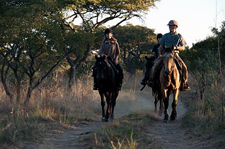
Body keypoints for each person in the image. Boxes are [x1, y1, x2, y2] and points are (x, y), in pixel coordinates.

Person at [150, 20, 190, 91]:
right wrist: (160, 54)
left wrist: (176, 47)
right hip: (166, 54)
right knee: (156, 65)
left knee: (184, 67)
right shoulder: (165, 36)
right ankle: (153, 81)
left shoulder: (179, 36)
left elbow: (183, 47)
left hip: (175, 54)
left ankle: (184, 83)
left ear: (176, 27)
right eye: (170, 26)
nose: (171, 27)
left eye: (172, 26)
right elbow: (161, 46)